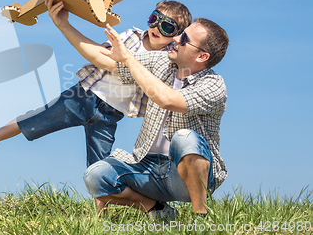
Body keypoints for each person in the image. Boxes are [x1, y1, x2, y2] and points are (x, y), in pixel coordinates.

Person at [0, 0, 192, 169]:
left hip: (111, 115)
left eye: (167, 27)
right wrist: (64, 24)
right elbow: (102, 55)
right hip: (84, 96)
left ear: (177, 36)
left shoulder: (165, 61)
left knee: (99, 166)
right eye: (154, 19)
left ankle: (100, 217)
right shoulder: (131, 36)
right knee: (35, 118)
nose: (156, 28)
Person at [83, 19, 229, 220]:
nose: (176, 38)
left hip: (186, 178)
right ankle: (157, 209)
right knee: (96, 176)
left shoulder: (214, 85)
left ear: (202, 56)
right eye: (180, 33)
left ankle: (200, 216)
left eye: (184, 39)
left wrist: (130, 60)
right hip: (147, 169)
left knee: (185, 138)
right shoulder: (162, 62)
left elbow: (167, 99)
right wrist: (63, 24)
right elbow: (110, 62)